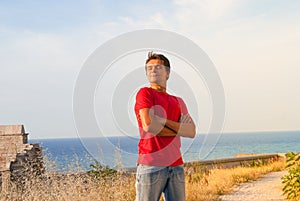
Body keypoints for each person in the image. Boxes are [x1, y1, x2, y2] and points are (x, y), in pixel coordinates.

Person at [134, 52, 196, 201]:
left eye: (158, 67)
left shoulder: (178, 101)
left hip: (176, 165)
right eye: (149, 68)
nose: (153, 70)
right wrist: (179, 128)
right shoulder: (145, 93)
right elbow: (149, 126)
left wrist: (162, 120)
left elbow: (191, 131)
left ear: (167, 73)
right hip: (151, 165)